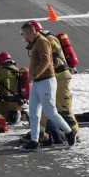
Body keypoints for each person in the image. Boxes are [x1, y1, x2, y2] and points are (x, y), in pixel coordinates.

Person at [21, 20, 75, 152]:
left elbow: (46, 61)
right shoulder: (35, 43)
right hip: (37, 82)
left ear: (28, 33)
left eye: (23, 34)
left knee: (50, 112)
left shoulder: (42, 42)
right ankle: (34, 142)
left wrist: (33, 74)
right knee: (34, 112)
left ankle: (69, 132)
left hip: (46, 81)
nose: (23, 37)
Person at [0, 52, 23, 123]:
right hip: (19, 104)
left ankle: (11, 116)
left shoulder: (1, 72)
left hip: (6, 104)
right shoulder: (18, 70)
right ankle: (17, 114)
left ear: (0, 62)